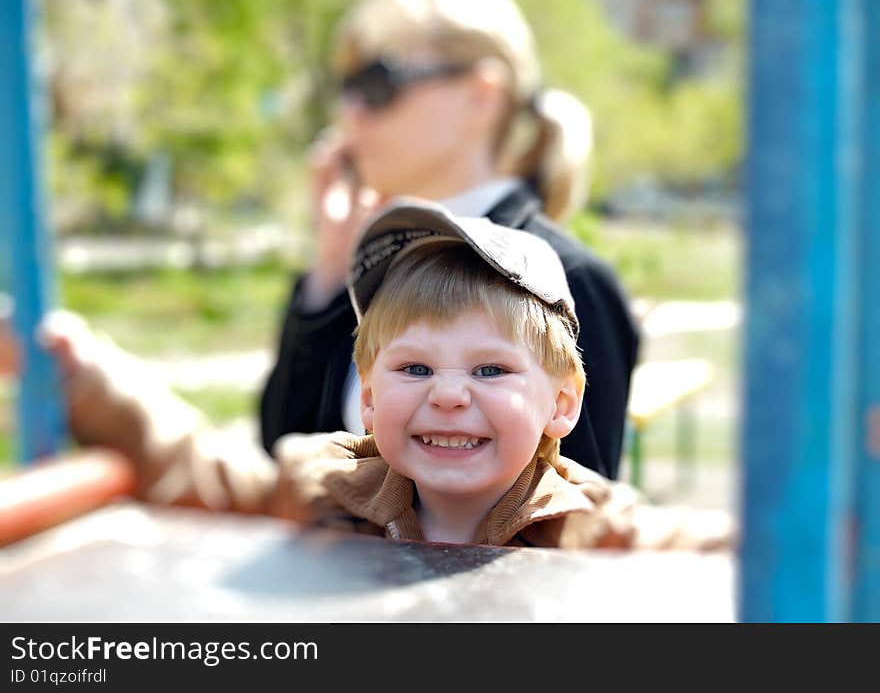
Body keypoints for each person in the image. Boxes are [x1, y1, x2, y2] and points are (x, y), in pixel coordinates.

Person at [22, 202, 730, 550]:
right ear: (368, 398)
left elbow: (727, 555)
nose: (447, 393)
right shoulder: (328, 487)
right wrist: (88, 376)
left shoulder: (592, 528)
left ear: (562, 405)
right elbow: (198, 469)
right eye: (414, 367)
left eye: (490, 368)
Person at [260, 0, 639, 479]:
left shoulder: (569, 279)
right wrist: (329, 271)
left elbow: (576, 520)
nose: (349, 112)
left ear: (480, 95)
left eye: (378, 83)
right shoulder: (376, 262)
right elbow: (285, 455)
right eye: (345, 87)